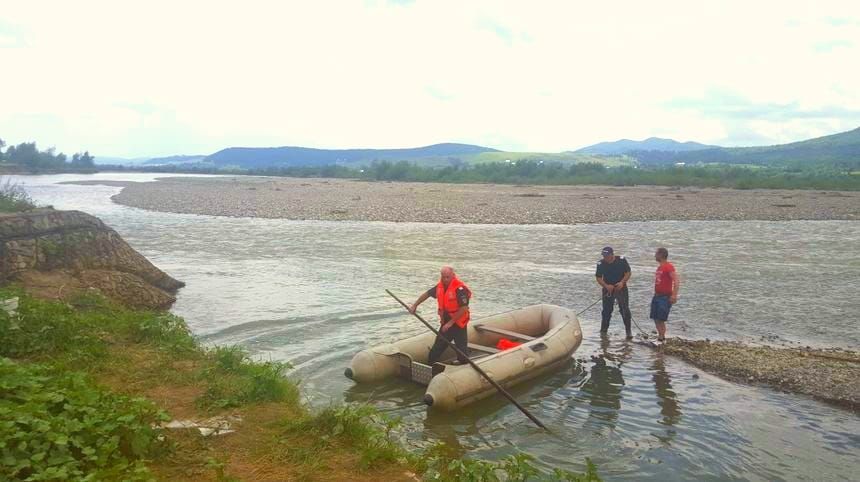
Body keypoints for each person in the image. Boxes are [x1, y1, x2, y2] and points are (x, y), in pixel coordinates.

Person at [410, 266, 472, 364]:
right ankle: (431, 364)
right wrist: (415, 305)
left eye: (448, 277)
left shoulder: (460, 289)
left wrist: (450, 323)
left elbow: (464, 308)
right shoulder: (440, 286)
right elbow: (427, 294)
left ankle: (463, 362)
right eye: (443, 277)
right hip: (445, 322)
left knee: (462, 351)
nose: (445, 279)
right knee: (437, 347)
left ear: (453, 275)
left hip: (458, 323)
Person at [595, 246, 632, 339]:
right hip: (608, 289)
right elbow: (598, 277)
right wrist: (606, 286)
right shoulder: (600, 263)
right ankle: (603, 332)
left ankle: (628, 332)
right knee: (606, 311)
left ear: (612, 254)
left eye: (607, 256)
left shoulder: (621, 260)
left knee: (624, 310)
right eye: (604, 256)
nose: (605, 258)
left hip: (621, 288)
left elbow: (628, 273)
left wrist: (622, 282)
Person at [651, 247, 680, 345]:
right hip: (657, 295)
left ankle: (662, 338)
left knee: (661, 318)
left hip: (664, 297)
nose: (655, 256)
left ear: (661, 255)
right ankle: (660, 336)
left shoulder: (668, 266)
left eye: (656, 254)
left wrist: (674, 295)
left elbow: (676, 280)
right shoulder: (659, 267)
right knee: (655, 317)